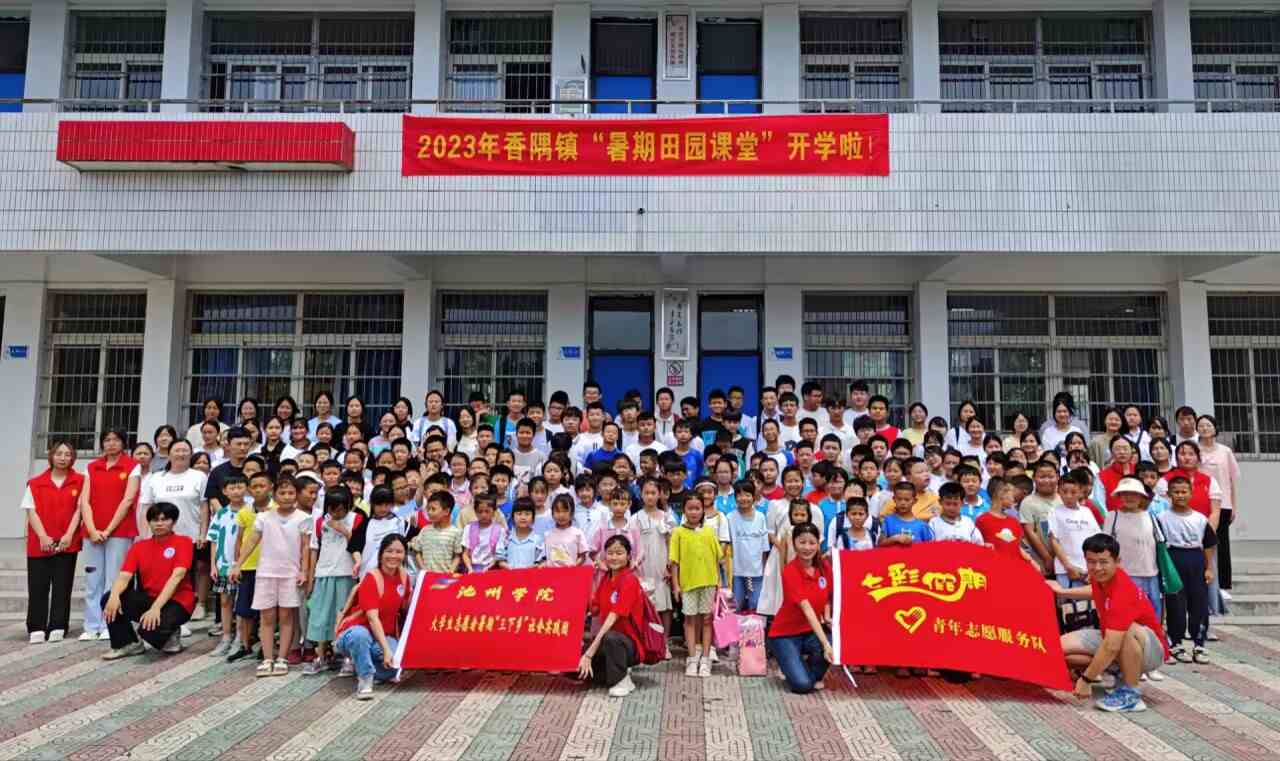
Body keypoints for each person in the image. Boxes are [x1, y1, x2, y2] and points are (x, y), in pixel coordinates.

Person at [1049, 533, 1169, 713]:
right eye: (1091, 562)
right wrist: (1062, 592)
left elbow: (1112, 646)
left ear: (1117, 561)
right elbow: (1094, 590)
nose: (1097, 567)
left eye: (1103, 562)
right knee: (1058, 649)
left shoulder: (1122, 592)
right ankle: (1116, 670)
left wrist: (1086, 680)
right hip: (1112, 637)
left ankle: (1131, 695)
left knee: (1126, 630)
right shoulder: (1102, 578)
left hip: (1150, 650)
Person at [231, 476, 312, 677]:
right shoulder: (264, 517)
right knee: (266, 617)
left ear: (297, 495)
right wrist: (238, 564)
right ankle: (267, 659)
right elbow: (251, 541)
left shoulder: (303, 518)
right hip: (266, 572)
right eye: (282, 493)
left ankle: (282, 658)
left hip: (290, 574)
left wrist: (303, 571)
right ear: (274, 495)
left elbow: (305, 547)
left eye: (291, 493)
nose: (287, 497)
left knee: (286, 617)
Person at [101, 502, 193, 659]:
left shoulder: (184, 542)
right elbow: (124, 576)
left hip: (177, 602)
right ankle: (128, 644)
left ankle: (171, 632)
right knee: (108, 598)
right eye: (155, 520)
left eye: (164, 519)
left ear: (174, 522)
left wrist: (156, 608)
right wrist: (114, 596)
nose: (159, 524)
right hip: (149, 598)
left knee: (151, 633)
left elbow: (177, 577)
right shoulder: (139, 547)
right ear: (149, 522)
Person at [77, 429, 141, 641]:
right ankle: (91, 625)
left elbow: (128, 500)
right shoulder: (91, 467)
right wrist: (92, 529)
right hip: (92, 532)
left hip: (119, 531)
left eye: (116, 440)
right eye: (107, 440)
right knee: (93, 579)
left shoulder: (132, 466)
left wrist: (108, 530)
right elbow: (84, 501)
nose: (111, 443)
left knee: (114, 580)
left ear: (123, 443)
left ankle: (109, 625)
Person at [140, 439, 209, 624]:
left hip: (190, 535)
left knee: (190, 574)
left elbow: (204, 507)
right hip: (160, 538)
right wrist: (145, 535)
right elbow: (146, 508)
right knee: (164, 574)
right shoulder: (156, 478)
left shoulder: (198, 477)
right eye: (177, 450)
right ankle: (163, 610)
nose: (181, 454)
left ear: (190, 453)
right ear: (169, 454)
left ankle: (192, 608)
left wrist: (203, 533)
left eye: (185, 450)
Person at [334, 533, 411, 699]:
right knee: (360, 636)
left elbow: (405, 610)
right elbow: (372, 619)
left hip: (382, 636)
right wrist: (386, 650)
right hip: (355, 632)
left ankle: (361, 661)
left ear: (405, 555)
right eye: (389, 551)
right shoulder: (371, 578)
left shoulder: (404, 578)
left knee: (396, 668)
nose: (394, 556)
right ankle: (365, 679)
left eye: (399, 552)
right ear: (381, 553)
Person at [24, 439, 84, 644]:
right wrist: (42, 536)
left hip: (67, 542)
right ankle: (36, 627)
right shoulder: (35, 482)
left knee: (62, 585)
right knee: (38, 586)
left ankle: (58, 625)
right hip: (40, 543)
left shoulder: (80, 481)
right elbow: (30, 511)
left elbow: (79, 510)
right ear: (51, 456)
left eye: (68, 454)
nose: (63, 458)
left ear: (73, 458)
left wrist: (69, 535)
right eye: (59, 454)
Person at [768, 522, 834, 694]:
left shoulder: (824, 567)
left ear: (818, 544)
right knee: (802, 686)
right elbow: (807, 610)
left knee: (835, 640)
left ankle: (800, 669)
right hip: (785, 635)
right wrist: (825, 644)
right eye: (802, 542)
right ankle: (792, 667)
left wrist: (827, 616)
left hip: (809, 632)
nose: (807, 547)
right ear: (794, 543)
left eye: (812, 543)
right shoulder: (790, 571)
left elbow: (827, 596)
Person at [579, 534, 646, 696]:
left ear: (628, 556)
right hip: (606, 642)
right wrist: (587, 579)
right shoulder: (606, 578)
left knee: (611, 638)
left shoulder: (630, 581)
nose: (614, 557)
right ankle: (614, 673)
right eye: (610, 553)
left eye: (619, 553)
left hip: (628, 645)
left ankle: (622, 680)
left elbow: (612, 618)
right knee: (576, 671)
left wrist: (589, 653)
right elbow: (594, 609)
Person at [1160, 476, 1217, 665]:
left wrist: (1209, 568)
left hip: (1196, 560)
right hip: (1173, 559)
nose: (1180, 495)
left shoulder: (1200, 519)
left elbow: (1208, 544)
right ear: (1169, 494)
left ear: (1191, 493)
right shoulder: (1162, 518)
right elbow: (1159, 545)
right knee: (1175, 604)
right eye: (1176, 492)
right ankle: (1176, 643)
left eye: (1184, 491)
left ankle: (1199, 644)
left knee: (1199, 604)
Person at [304, 488, 360, 674]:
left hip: (346, 573)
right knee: (321, 615)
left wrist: (343, 530)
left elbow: (358, 544)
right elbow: (314, 550)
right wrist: (311, 578)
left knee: (344, 614)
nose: (337, 513)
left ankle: (347, 657)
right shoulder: (319, 522)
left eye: (341, 509)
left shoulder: (357, 519)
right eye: (333, 509)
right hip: (324, 573)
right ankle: (321, 656)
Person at [670, 491, 725, 678]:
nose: (694, 512)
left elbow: (717, 559)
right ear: (684, 510)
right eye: (690, 508)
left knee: (707, 620)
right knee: (689, 620)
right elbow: (674, 562)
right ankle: (692, 658)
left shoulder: (709, 531)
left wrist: (718, 582)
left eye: (697, 508)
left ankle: (706, 658)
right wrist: (676, 585)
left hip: (709, 583)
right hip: (688, 584)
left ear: (703, 510)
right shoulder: (678, 532)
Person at [1195, 414, 1239, 597]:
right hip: (1199, 503)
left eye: (1208, 425)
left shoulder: (1225, 451)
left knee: (1221, 545)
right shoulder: (1193, 450)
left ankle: (1223, 585)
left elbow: (1232, 480)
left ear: (1215, 428)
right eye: (1201, 425)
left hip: (1223, 504)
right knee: (1200, 543)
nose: (1204, 428)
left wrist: (1234, 505)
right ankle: (1202, 581)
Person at [207, 473, 247, 657]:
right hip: (223, 565)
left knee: (241, 603)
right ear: (225, 491)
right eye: (232, 488)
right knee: (225, 601)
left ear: (246, 488)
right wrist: (213, 565)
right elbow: (213, 540)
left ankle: (240, 637)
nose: (236, 491)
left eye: (240, 487)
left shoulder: (250, 511)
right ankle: (226, 637)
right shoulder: (221, 514)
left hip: (243, 565)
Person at [725, 479, 768, 613]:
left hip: (756, 571)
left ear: (753, 496)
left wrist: (764, 569)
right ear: (735, 497)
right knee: (735, 606)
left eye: (747, 495)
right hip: (736, 571)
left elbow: (764, 547)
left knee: (755, 605)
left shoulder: (760, 517)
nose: (743, 498)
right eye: (740, 495)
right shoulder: (730, 517)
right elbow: (727, 545)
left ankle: (754, 627)